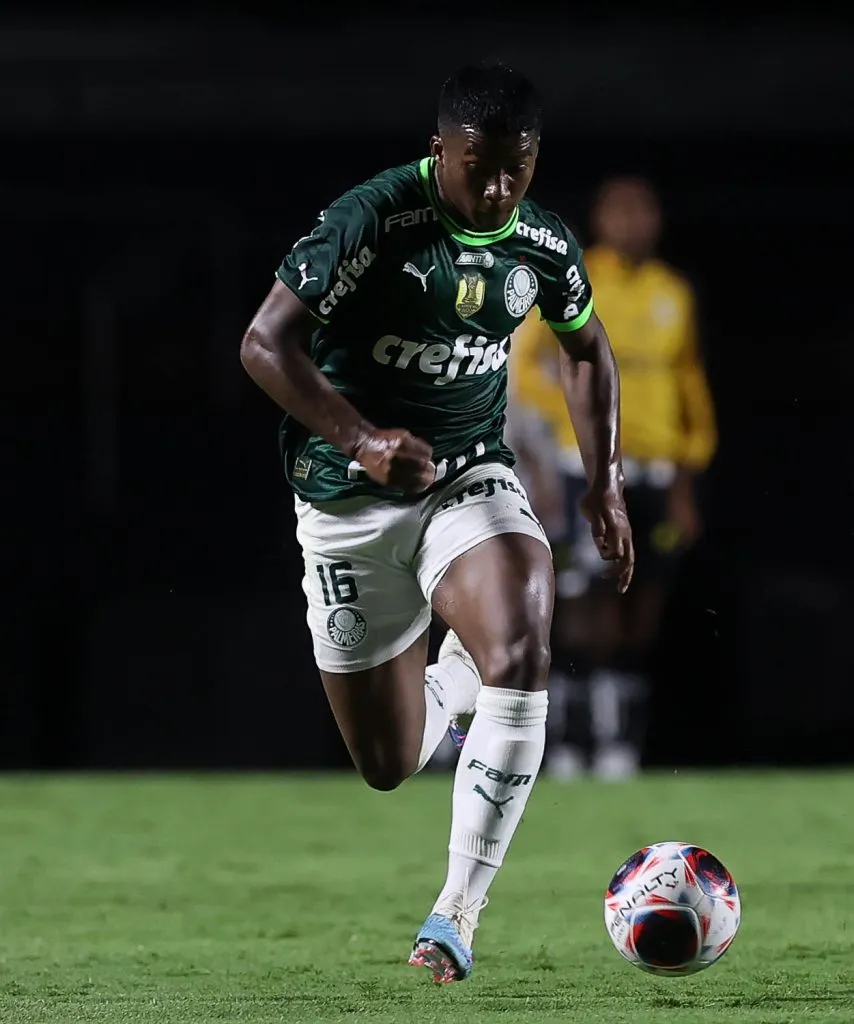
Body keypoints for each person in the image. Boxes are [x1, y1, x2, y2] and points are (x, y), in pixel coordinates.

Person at [239, 62, 634, 983]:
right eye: (479, 167)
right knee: (388, 762)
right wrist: (364, 438)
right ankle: (451, 684)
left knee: (525, 625)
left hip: (467, 475)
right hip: (346, 499)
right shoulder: (373, 220)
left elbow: (587, 349)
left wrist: (601, 481)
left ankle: (457, 911)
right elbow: (265, 343)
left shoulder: (540, 240)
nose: (498, 188)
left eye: (518, 167)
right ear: (440, 151)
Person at [511, 176, 716, 780]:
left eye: (644, 209)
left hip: (656, 472)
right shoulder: (574, 277)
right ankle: (574, 742)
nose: (633, 221)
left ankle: (621, 742)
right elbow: (529, 372)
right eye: (620, 209)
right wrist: (564, 440)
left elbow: (688, 385)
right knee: (583, 604)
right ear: (599, 217)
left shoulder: (672, 292)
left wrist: (686, 476)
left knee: (643, 611)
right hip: (587, 469)